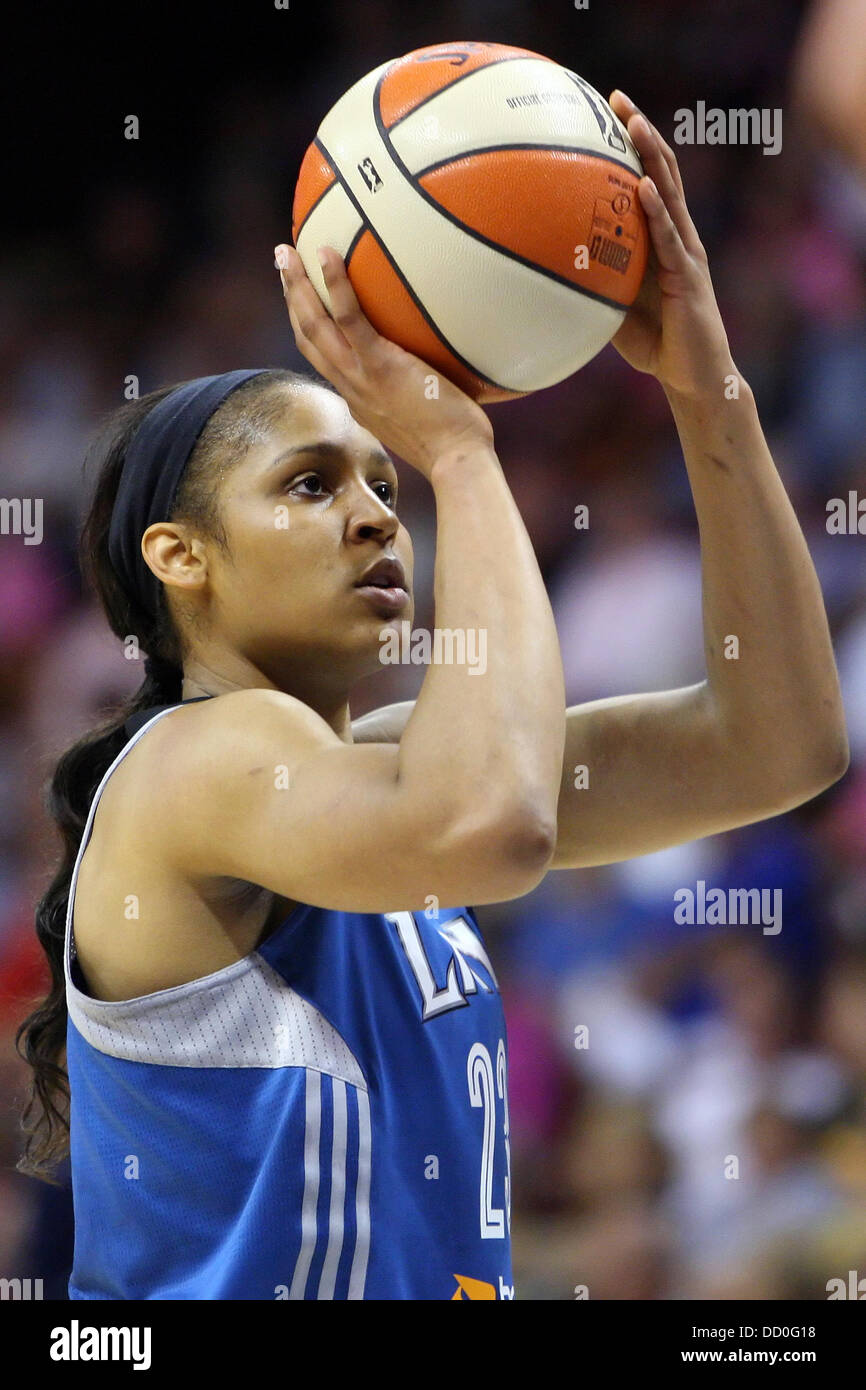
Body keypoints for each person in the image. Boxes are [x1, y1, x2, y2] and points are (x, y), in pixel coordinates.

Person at [15, 91, 848, 1300]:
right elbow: (492, 822)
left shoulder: (387, 772)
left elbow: (776, 742)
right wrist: (457, 455)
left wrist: (702, 383)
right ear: (177, 556)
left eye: (381, 477)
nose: (372, 511)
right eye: (307, 484)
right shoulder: (189, 769)